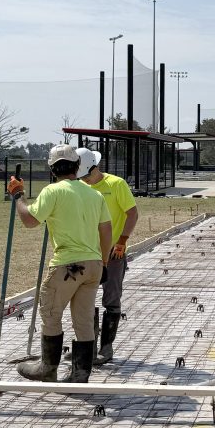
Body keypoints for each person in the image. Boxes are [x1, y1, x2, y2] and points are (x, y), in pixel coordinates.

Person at [9, 144, 111, 383]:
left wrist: (18, 196)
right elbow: (106, 230)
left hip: (67, 266)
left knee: (51, 313)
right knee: (83, 321)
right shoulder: (94, 194)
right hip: (93, 265)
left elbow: (30, 220)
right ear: (77, 166)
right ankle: (80, 374)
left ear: (52, 169)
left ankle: (48, 367)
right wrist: (104, 263)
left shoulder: (52, 191)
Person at [76, 148, 138, 364]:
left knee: (111, 299)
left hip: (113, 253)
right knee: (85, 299)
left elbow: (132, 213)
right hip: (87, 252)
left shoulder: (116, 184)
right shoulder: (80, 187)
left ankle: (106, 347)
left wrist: (122, 240)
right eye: (81, 176)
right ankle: (88, 347)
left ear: (96, 166)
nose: (85, 179)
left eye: (87, 174)